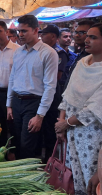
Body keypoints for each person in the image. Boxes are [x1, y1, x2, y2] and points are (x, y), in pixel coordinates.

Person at [55, 23, 102, 195]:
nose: (87, 39)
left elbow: (95, 108)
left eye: (94, 37)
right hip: (71, 132)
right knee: (74, 175)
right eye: (86, 35)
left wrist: (66, 123)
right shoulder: (82, 63)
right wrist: (61, 121)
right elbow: (68, 94)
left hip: (93, 135)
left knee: (92, 177)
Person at [6, 15, 58, 159]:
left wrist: (40, 116)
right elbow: (12, 79)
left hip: (33, 103)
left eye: (24, 31)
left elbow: (50, 87)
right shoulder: (18, 52)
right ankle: (21, 174)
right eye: (19, 31)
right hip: (17, 102)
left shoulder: (48, 53)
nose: (20, 35)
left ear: (36, 30)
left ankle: (27, 177)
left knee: (27, 144)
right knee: (16, 141)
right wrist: (9, 105)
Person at [40, 24, 69, 162]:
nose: (41, 36)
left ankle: (49, 158)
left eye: (44, 34)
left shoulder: (59, 52)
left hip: (52, 92)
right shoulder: (42, 50)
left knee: (50, 124)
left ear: (52, 36)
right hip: (43, 91)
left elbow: (56, 76)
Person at [64, 20, 95, 89]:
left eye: (82, 32)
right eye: (76, 32)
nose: (77, 35)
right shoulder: (81, 53)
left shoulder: (95, 57)